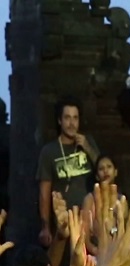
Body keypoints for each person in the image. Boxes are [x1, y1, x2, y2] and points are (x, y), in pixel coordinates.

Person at [37, 96, 99, 247]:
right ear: (60, 121)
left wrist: (88, 148)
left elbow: (104, 170)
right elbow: (44, 192)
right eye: (67, 118)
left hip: (90, 223)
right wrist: (45, 227)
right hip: (64, 224)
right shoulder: (49, 151)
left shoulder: (88, 143)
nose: (72, 123)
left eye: (75, 118)